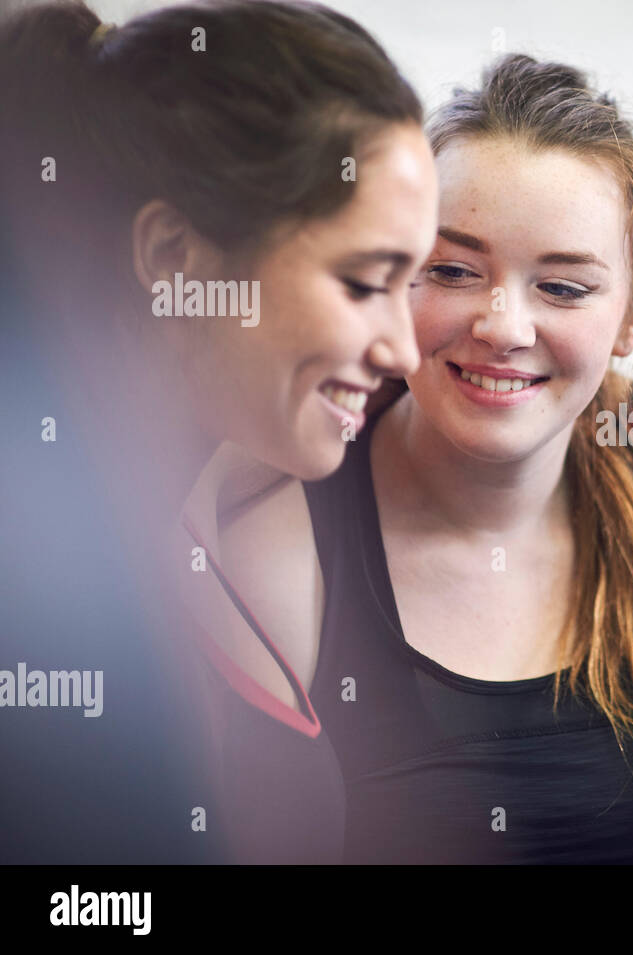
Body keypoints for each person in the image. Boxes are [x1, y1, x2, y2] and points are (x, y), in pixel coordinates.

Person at [218, 54, 633, 863]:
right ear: (397, 275)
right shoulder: (282, 548)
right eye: (455, 270)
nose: (503, 325)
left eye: (563, 288)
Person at [0, 0, 439, 862]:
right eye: (362, 282)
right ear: (172, 257)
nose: (406, 351)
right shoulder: (39, 566)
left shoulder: (192, 486)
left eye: (414, 283)